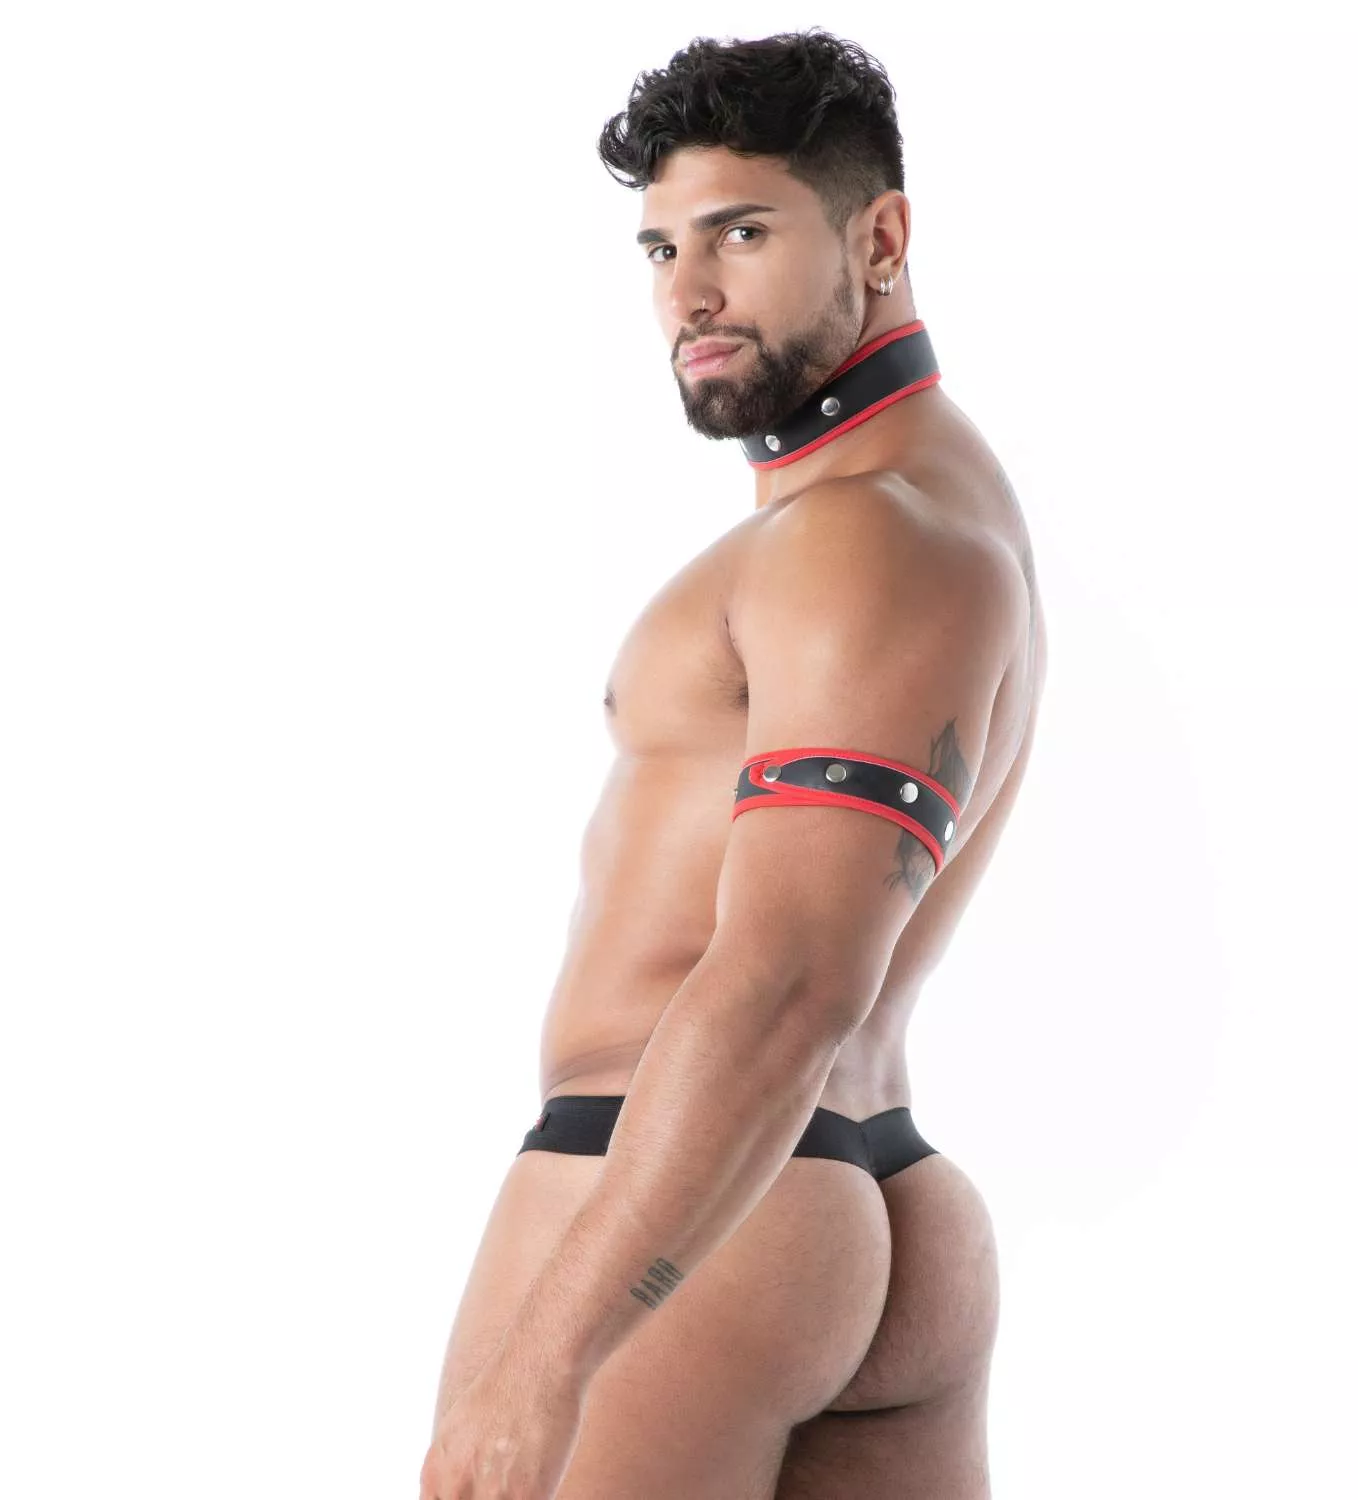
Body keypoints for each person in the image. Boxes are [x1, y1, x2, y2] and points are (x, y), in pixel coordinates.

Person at [420, 26, 1047, 1500]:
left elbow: (786, 980)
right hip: (859, 1189)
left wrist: (549, 1360)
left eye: (741, 234)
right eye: (661, 248)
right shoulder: (937, 505)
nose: (686, 295)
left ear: (879, 239)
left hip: (699, 1209)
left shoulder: (861, 534)